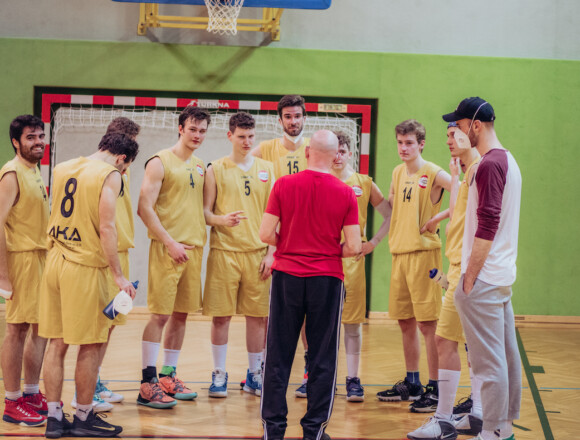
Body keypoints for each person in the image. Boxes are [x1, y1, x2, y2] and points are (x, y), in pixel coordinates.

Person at [260, 130, 361, 440]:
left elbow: (265, 235)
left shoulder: (283, 185)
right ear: (335, 157)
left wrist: (290, 243)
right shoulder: (346, 192)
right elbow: (354, 246)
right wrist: (329, 249)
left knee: (278, 354)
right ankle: (313, 431)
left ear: (307, 153)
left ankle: (273, 432)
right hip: (327, 280)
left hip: (287, 276)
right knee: (322, 357)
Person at [39, 132, 139, 438]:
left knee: (56, 344)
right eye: (125, 168)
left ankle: (54, 418)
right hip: (84, 267)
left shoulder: (63, 167)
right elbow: (107, 228)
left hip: (55, 260)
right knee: (92, 344)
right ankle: (83, 416)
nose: (124, 173)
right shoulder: (111, 174)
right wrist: (119, 276)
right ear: (122, 159)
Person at [443, 97, 522, 440]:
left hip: (484, 278)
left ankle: (493, 431)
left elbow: (487, 225)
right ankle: (503, 425)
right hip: (501, 276)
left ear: (475, 125)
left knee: (489, 364)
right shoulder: (508, 160)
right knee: (505, 357)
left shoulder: (491, 164)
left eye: (459, 126)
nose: (457, 133)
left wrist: (469, 278)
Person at [407, 122, 482, 440]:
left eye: (454, 134)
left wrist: (471, 272)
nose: (448, 140)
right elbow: (459, 213)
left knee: (445, 340)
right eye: (447, 136)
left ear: (473, 132)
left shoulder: (481, 168)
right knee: (468, 344)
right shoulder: (466, 172)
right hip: (458, 266)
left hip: (467, 270)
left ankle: (444, 420)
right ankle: (476, 412)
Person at [137, 106, 210, 408]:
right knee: (160, 315)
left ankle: (168, 375)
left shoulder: (201, 166)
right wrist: (169, 242)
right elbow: (144, 207)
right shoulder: (159, 162)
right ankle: (147, 381)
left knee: (181, 315)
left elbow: (202, 212)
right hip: (168, 249)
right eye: (193, 129)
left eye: (203, 131)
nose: (197, 135)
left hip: (194, 250)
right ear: (180, 128)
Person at [377, 119, 451, 412]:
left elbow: (463, 191)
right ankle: (413, 382)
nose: (403, 148)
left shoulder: (432, 172)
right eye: (399, 142)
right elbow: (393, 207)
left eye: (409, 143)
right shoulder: (397, 172)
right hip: (399, 253)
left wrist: (437, 218)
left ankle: (435, 387)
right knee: (405, 321)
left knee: (428, 323)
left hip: (426, 258)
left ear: (421, 144)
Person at [70, 117, 141, 413]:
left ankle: (95, 381)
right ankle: (82, 395)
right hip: (100, 258)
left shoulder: (120, 170)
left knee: (110, 326)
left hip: (120, 252)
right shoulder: (100, 172)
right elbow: (104, 225)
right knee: (95, 330)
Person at [202, 112, 275, 398]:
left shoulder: (267, 168)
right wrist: (222, 221)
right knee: (221, 317)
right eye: (241, 136)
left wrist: (272, 253)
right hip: (224, 252)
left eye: (250, 136)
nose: (246, 141)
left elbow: (276, 215)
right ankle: (219, 374)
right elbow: (206, 213)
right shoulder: (215, 168)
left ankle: (255, 374)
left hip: (258, 253)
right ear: (230, 136)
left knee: (257, 318)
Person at [330, 131, 391, 402]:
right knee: (321, 324)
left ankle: (353, 379)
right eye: (333, 151)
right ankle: (320, 377)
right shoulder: (317, 180)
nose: (338, 156)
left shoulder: (363, 183)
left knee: (352, 324)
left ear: (350, 154)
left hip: (353, 260)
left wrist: (374, 241)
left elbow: (389, 214)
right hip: (323, 259)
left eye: (342, 151)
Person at [0, 115, 49, 427]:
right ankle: (12, 400)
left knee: (39, 328)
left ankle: (31, 392)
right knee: (16, 330)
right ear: (16, 142)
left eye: (41, 136)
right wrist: (3, 275)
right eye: (31, 137)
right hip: (20, 260)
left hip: (40, 259)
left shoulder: (34, 170)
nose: (38, 142)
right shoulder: (11, 173)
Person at [251, 94, 309, 179]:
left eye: (297, 116)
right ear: (280, 121)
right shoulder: (266, 148)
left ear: (304, 119)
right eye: (288, 117)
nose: (293, 122)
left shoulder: (315, 148)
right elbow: (240, 166)